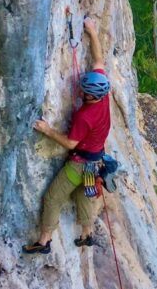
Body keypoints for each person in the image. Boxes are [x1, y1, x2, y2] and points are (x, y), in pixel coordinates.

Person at [23, 17, 111, 255]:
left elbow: (70, 142)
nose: (80, 89)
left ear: (91, 95)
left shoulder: (85, 116)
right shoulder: (103, 96)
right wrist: (92, 32)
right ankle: (87, 234)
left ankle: (44, 241)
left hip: (79, 165)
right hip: (96, 164)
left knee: (53, 198)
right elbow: (99, 60)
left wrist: (47, 130)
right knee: (86, 195)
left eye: (83, 89)